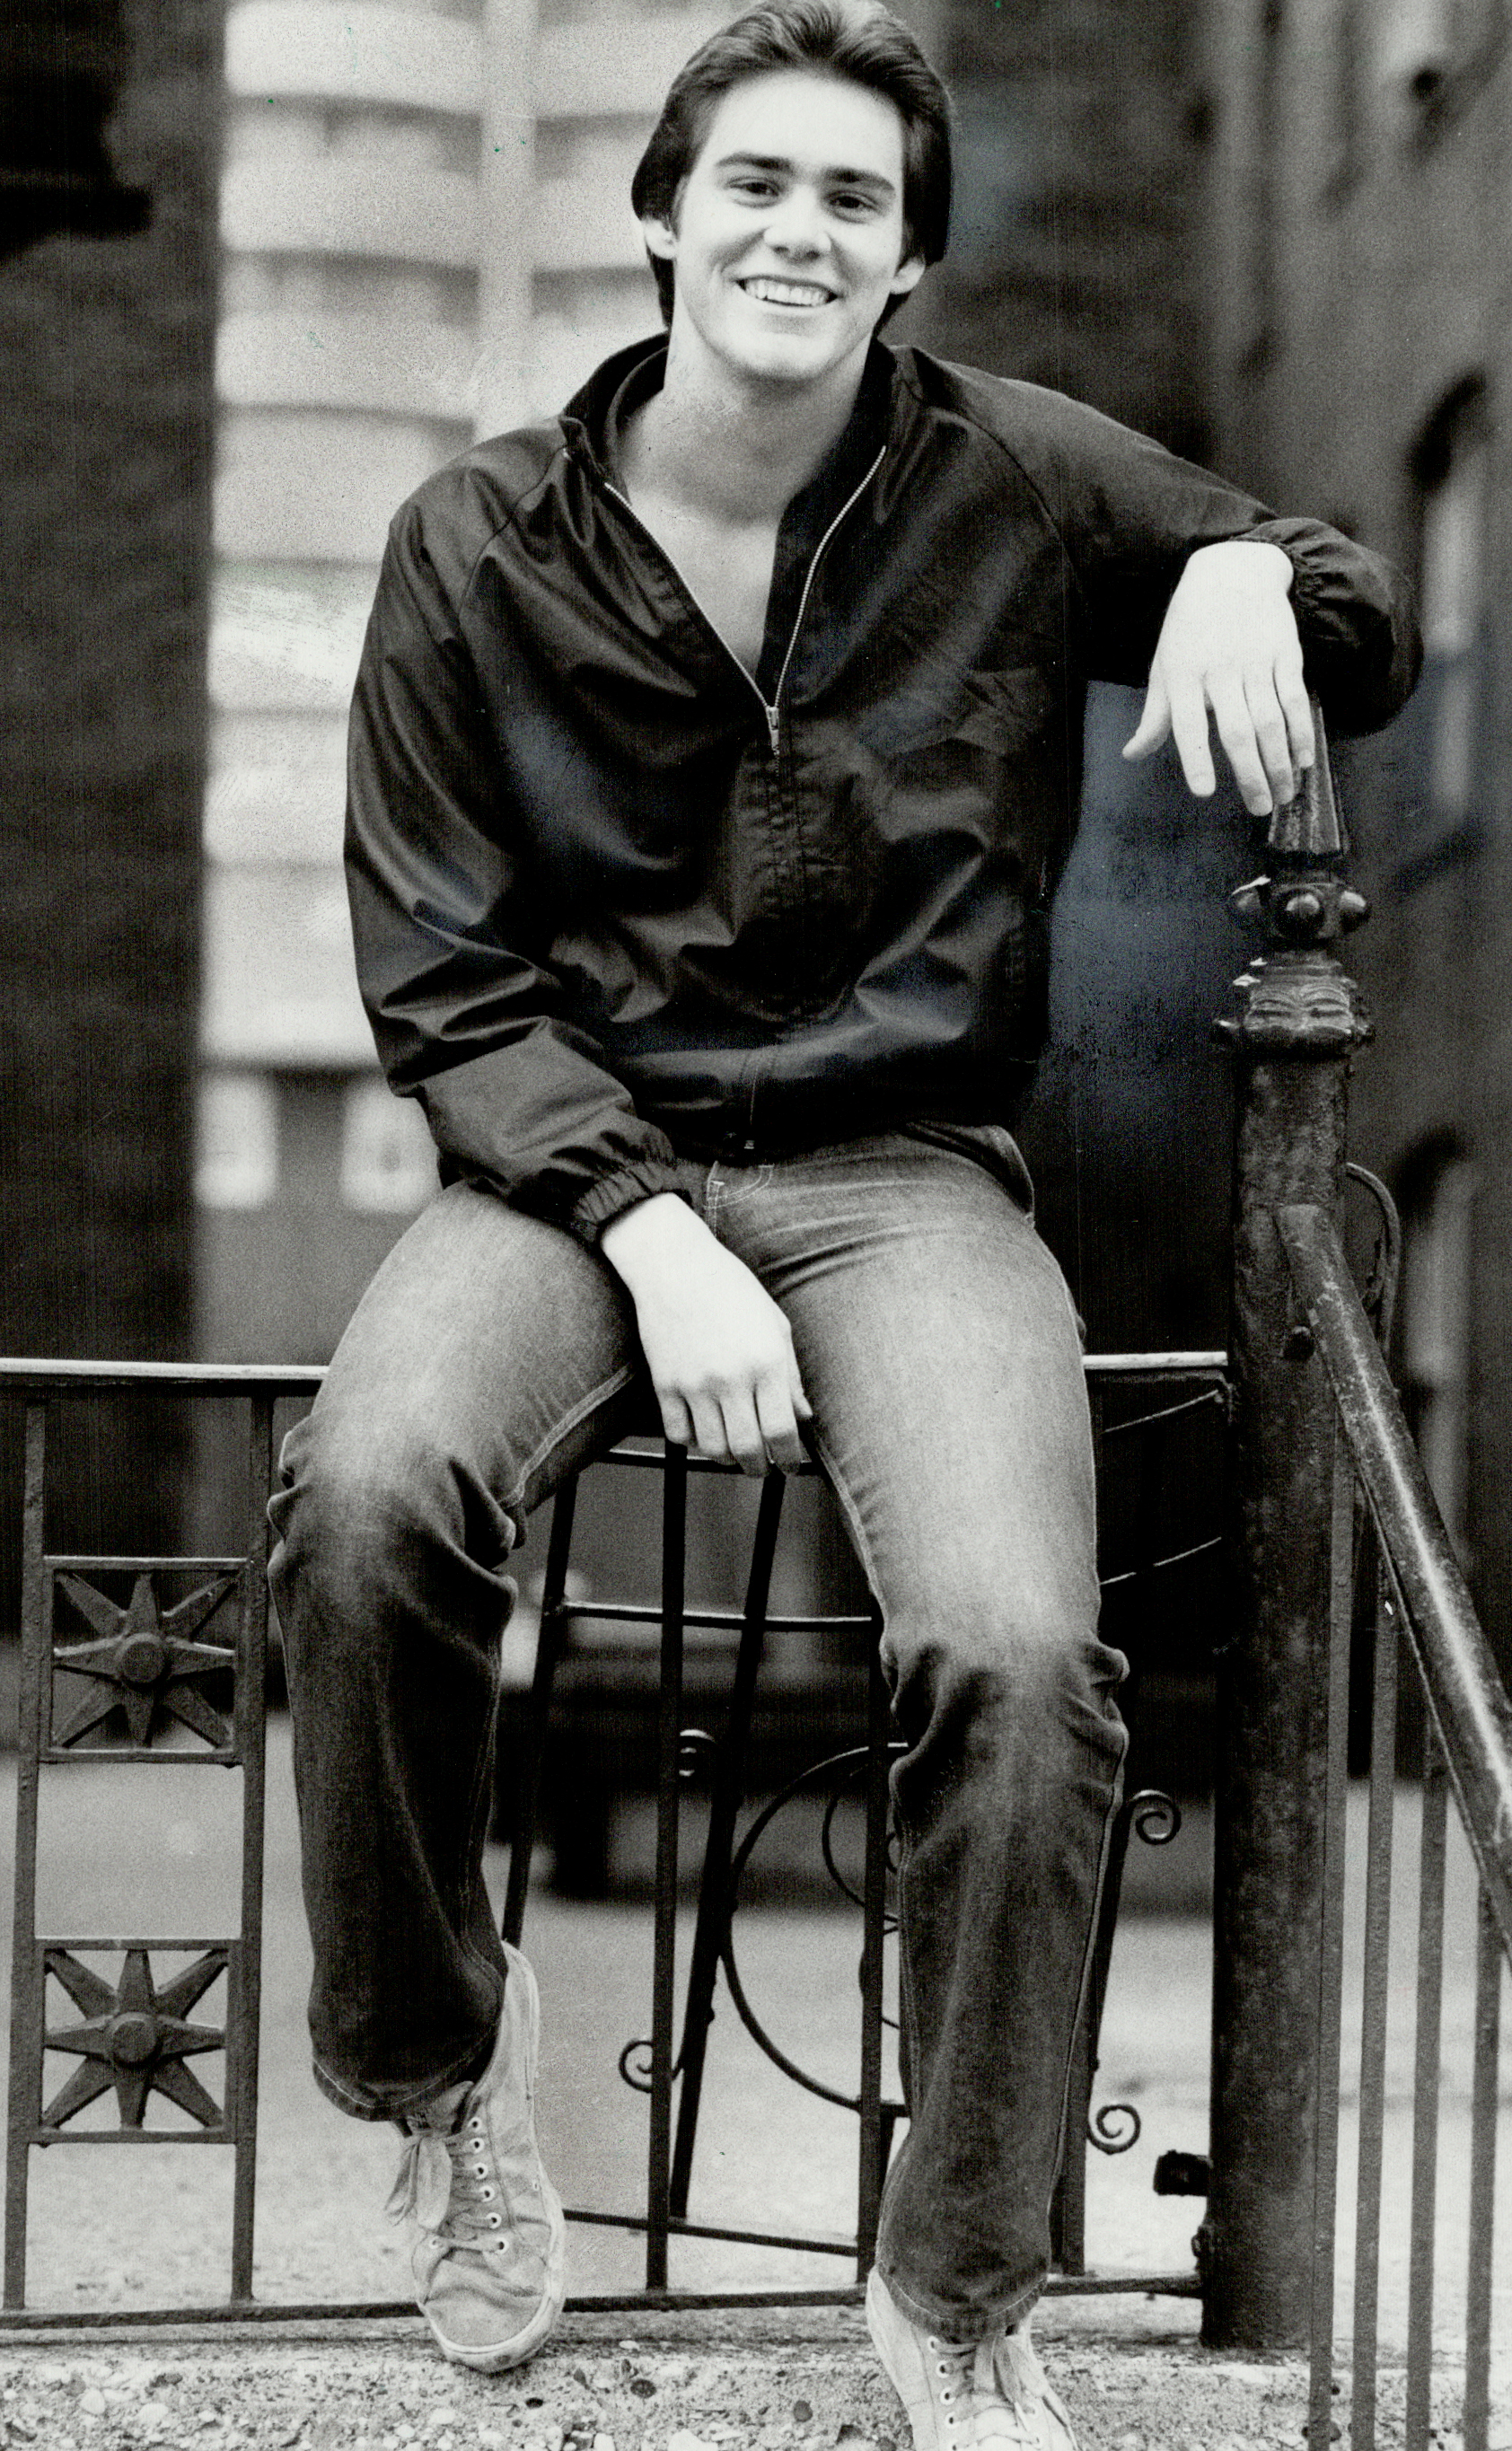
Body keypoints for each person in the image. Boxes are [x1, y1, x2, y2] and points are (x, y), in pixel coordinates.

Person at [267, 4, 1419, 2442]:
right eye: (758, 185)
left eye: (855, 204)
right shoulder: (474, 534)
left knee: (1016, 1652)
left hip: (906, 1173)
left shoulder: (1003, 475)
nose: (801, 232)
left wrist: (1241, 570)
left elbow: (1353, 621)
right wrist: (643, 1226)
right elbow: (438, 968)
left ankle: (959, 2273)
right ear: (662, 214)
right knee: (367, 1504)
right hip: (569, 1161)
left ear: (902, 265)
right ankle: (445, 2068)